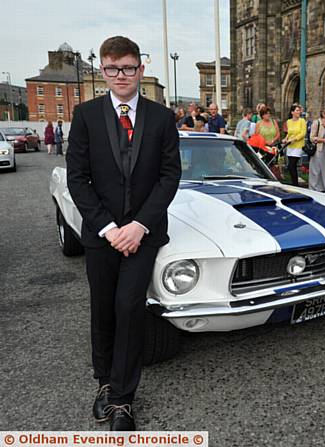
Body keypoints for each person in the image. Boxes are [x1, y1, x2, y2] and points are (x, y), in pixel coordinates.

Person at [66, 36, 181, 430]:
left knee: (129, 307)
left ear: (140, 69)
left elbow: (170, 177)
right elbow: (78, 180)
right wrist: (110, 228)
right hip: (101, 235)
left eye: (128, 67)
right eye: (113, 68)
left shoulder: (163, 118)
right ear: (103, 70)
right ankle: (104, 381)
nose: (121, 75)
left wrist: (139, 225)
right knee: (103, 307)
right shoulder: (85, 116)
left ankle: (122, 399)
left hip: (144, 234)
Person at [282, 104, 306, 186]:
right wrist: (286, 139)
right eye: (297, 110)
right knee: (291, 166)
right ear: (292, 112)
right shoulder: (289, 122)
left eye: (299, 110)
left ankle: (295, 184)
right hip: (290, 146)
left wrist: (295, 139)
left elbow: (303, 133)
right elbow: (289, 133)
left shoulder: (302, 121)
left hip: (298, 146)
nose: (299, 112)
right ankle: (294, 182)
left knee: (292, 165)